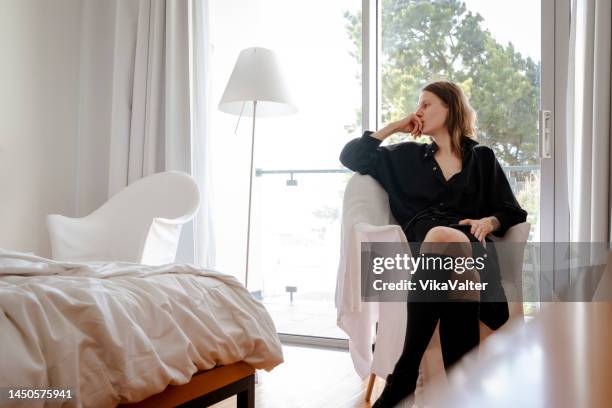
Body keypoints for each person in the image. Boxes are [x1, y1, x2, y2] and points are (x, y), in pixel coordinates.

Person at [339, 81, 527, 407]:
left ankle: (404, 376)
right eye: (418, 105)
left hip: (475, 254)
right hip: (422, 258)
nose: (419, 111)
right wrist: (397, 126)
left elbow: (512, 210)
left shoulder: (481, 158)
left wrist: (489, 222)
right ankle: (464, 390)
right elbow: (352, 157)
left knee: (449, 240)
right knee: (441, 239)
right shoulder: (405, 157)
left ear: (450, 108)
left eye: (427, 104)